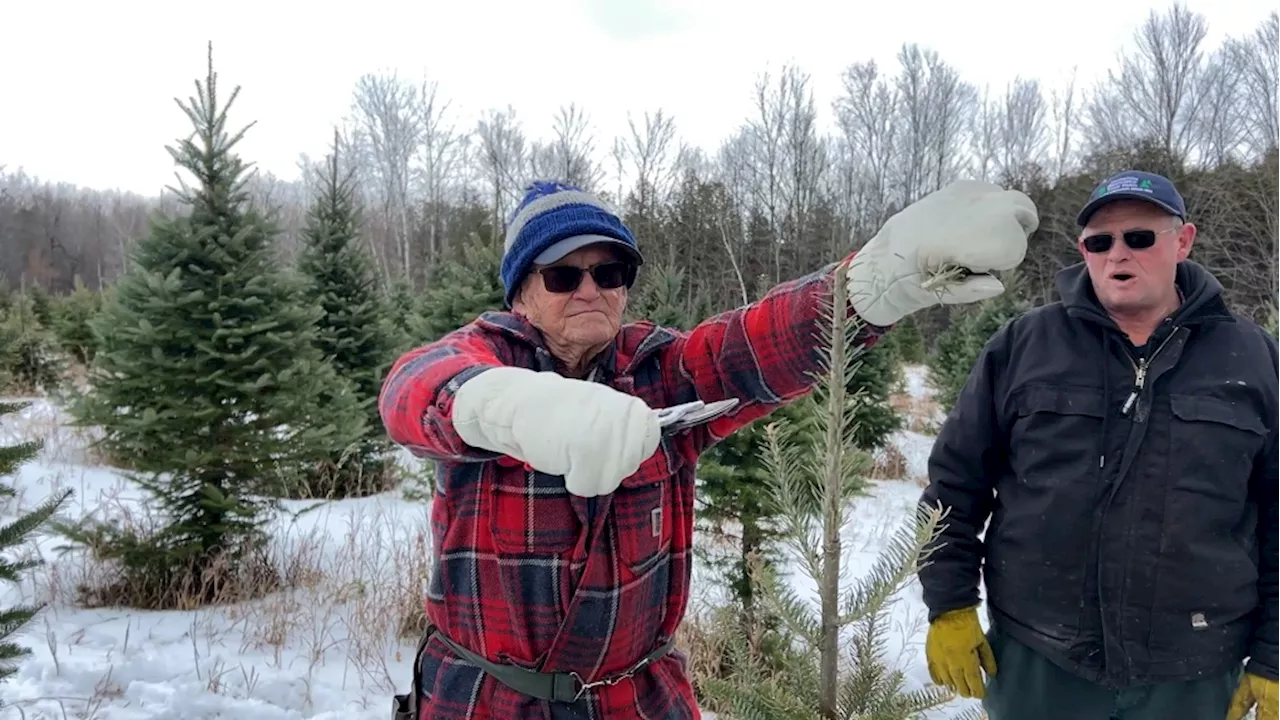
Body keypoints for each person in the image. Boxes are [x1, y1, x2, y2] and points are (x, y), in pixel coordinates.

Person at [380, 178, 1037, 720]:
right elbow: (412, 390)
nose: (590, 288)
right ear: (521, 292)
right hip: (486, 701)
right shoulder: (486, 357)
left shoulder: (656, 372)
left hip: (636, 700)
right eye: (561, 274)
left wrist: (873, 284)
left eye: (611, 270)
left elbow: (748, 349)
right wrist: (510, 408)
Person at [917, 169, 1280, 720]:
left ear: (1182, 241)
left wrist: (1274, 655)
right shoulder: (1024, 347)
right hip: (1040, 661)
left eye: (1140, 237)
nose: (1118, 255)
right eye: (1099, 242)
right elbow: (955, 485)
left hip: (1194, 673)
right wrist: (949, 605)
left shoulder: (1254, 360)